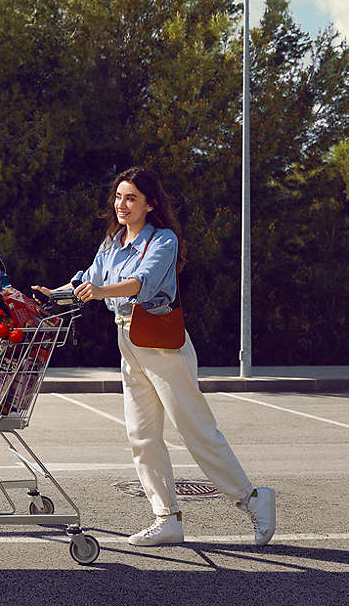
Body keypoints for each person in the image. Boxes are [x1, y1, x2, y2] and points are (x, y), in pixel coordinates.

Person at [32, 167, 276, 547]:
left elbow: (140, 283)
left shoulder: (163, 241)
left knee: (195, 429)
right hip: (127, 339)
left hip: (162, 343)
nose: (121, 205)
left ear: (150, 204)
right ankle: (167, 518)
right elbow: (87, 280)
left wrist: (98, 291)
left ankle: (252, 499)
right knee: (141, 435)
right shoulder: (111, 243)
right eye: (118, 197)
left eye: (131, 198)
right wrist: (54, 293)